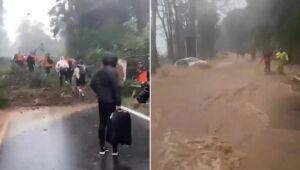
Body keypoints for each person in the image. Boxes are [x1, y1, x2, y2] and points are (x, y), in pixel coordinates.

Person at [90, 52, 122, 156]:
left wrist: (99, 92)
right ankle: (115, 150)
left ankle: (102, 148)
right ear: (113, 61)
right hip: (111, 102)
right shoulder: (113, 71)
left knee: (102, 124)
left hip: (102, 101)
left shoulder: (98, 72)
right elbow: (115, 88)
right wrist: (118, 102)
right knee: (113, 124)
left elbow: (92, 84)